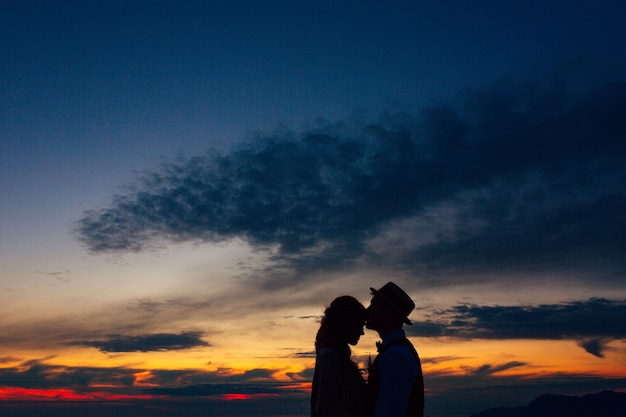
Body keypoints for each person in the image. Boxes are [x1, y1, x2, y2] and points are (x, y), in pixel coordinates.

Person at [365, 282, 424, 417]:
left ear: (387, 312)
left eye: (373, 305)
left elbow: (389, 411)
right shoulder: (397, 352)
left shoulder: (396, 355)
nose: (367, 311)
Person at [311, 295, 367, 417]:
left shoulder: (333, 356)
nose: (362, 332)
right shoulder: (329, 357)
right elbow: (328, 409)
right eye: (359, 324)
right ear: (344, 322)